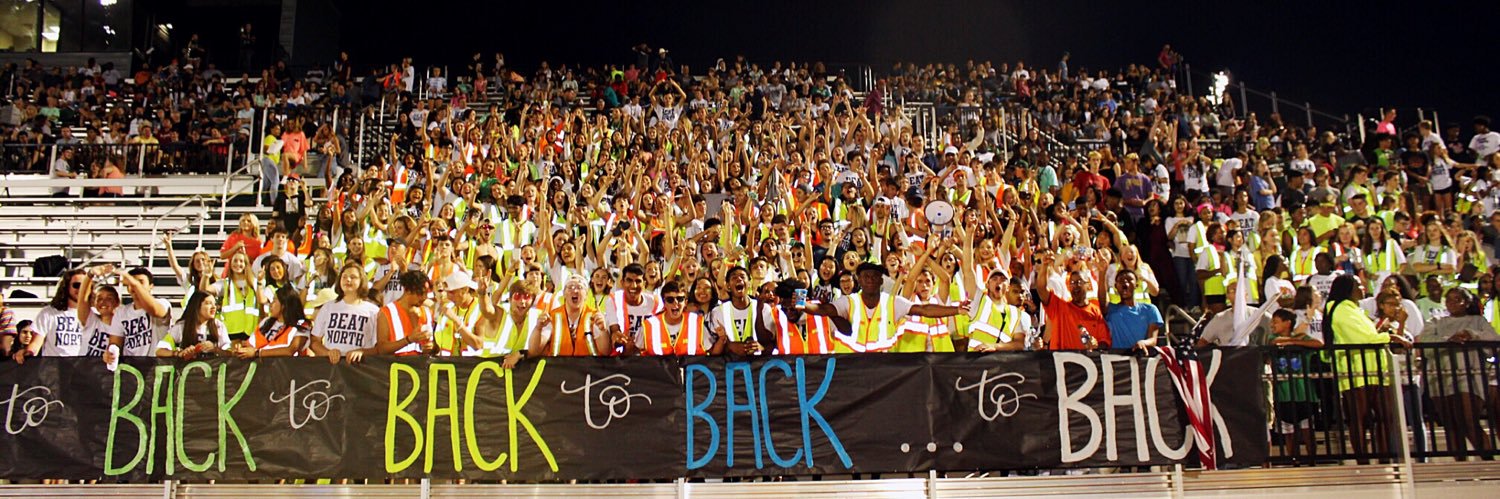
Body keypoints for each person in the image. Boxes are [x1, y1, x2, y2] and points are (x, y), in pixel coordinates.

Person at [1323, 274, 1411, 463]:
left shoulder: (1354, 309)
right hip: (1355, 371)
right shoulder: (1340, 309)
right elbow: (1363, 338)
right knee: (1359, 419)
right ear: (1348, 289)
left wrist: (1382, 333)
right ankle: (1363, 459)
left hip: (1374, 369)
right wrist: (1392, 337)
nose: (1362, 287)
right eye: (1357, 284)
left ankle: (1384, 457)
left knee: (1385, 416)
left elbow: (1368, 335)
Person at [804, 262, 968, 353]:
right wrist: (800, 304)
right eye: (865, 276)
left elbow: (924, 310)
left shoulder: (893, 302)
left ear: (881, 281)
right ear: (859, 281)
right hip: (854, 367)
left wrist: (957, 310)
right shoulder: (849, 302)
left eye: (874, 276)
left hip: (884, 368)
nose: (870, 280)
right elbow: (822, 310)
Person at [1417, 288, 1500, 460]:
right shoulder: (1435, 321)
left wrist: (1471, 334)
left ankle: (1489, 461)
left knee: (1468, 420)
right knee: (1451, 425)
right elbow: (1425, 342)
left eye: (1458, 299)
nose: (1452, 303)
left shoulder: (1477, 321)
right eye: (1449, 299)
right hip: (1440, 376)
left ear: (1467, 303)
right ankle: (1460, 464)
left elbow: (1493, 340)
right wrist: (1449, 340)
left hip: (1470, 376)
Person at [307, 263, 380, 364]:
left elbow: (380, 348)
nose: (348, 280)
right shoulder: (328, 307)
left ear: (362, 281)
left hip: (361, 368)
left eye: (353, 277)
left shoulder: (373, 311)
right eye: (344, 277)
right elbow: (314, 341)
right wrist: (327, 353)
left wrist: (362, 352)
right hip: (332, 369)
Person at [15, 269, 87, 362]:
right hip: (53, 372)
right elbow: (35, 345)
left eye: (85, 285)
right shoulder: (48, 313)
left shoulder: (94, 314)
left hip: (82, 371)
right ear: (67, 287)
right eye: (76, 285)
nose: (80, 289)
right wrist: (26, 352)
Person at [642, 280, 716, 355]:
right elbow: (634, 353)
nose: (675, 303)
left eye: (680, 299)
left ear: (685, 302)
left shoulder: (696, 322)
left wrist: (722, 339)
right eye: (670, 300)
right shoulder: (649, 325)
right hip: (659, 366)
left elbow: (713, 352)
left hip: (690, 366)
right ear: (664, 303)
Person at [235, 285, 310, 359]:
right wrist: (242, 349)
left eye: (274, 300)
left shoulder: (301, 324)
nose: (270, 304)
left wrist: (258, 353)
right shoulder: (266, 321)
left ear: (284, 305)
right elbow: (251, 344)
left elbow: (290, 351)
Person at [604, 263, 662, 356]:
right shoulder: (614, 300)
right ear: (622, 283)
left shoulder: (655, 303)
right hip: (620, 351)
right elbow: (615, 331)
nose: (633, 286)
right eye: (629, 280)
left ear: (644, 283)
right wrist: (621, 340)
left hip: (647, 353)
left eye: (638, 281)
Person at [374, 271, 436, 356]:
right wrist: (408, 340)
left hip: (420, 366)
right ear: (407, 290)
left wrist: (431, 347)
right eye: (420, 293)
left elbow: (434, 347)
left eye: (426, 293)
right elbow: (382, 349)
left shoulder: (427, 312)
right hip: (395, 367)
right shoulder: (387, 312)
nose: (424, 297)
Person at [1102, 268, 1163, 352]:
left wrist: (1143, 343)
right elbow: (1102, 301)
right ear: (1116, 286)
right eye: (1121, 281)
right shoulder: (1111, 308)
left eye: (1129, 280)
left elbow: (1153, 339)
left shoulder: (1150, 309)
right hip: (1116, 359)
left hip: (1140, 358)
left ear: (1136, 285)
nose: (1125, 283)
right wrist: (1102, 273)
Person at [156, 291, 230, 359]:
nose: (214, 307)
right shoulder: (181, 326)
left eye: (215, 304)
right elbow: (159, 350)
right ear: (197, 306)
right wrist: (179, 353)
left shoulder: (218, 326)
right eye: (208, 303)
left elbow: (230, 353)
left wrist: (215, 349)